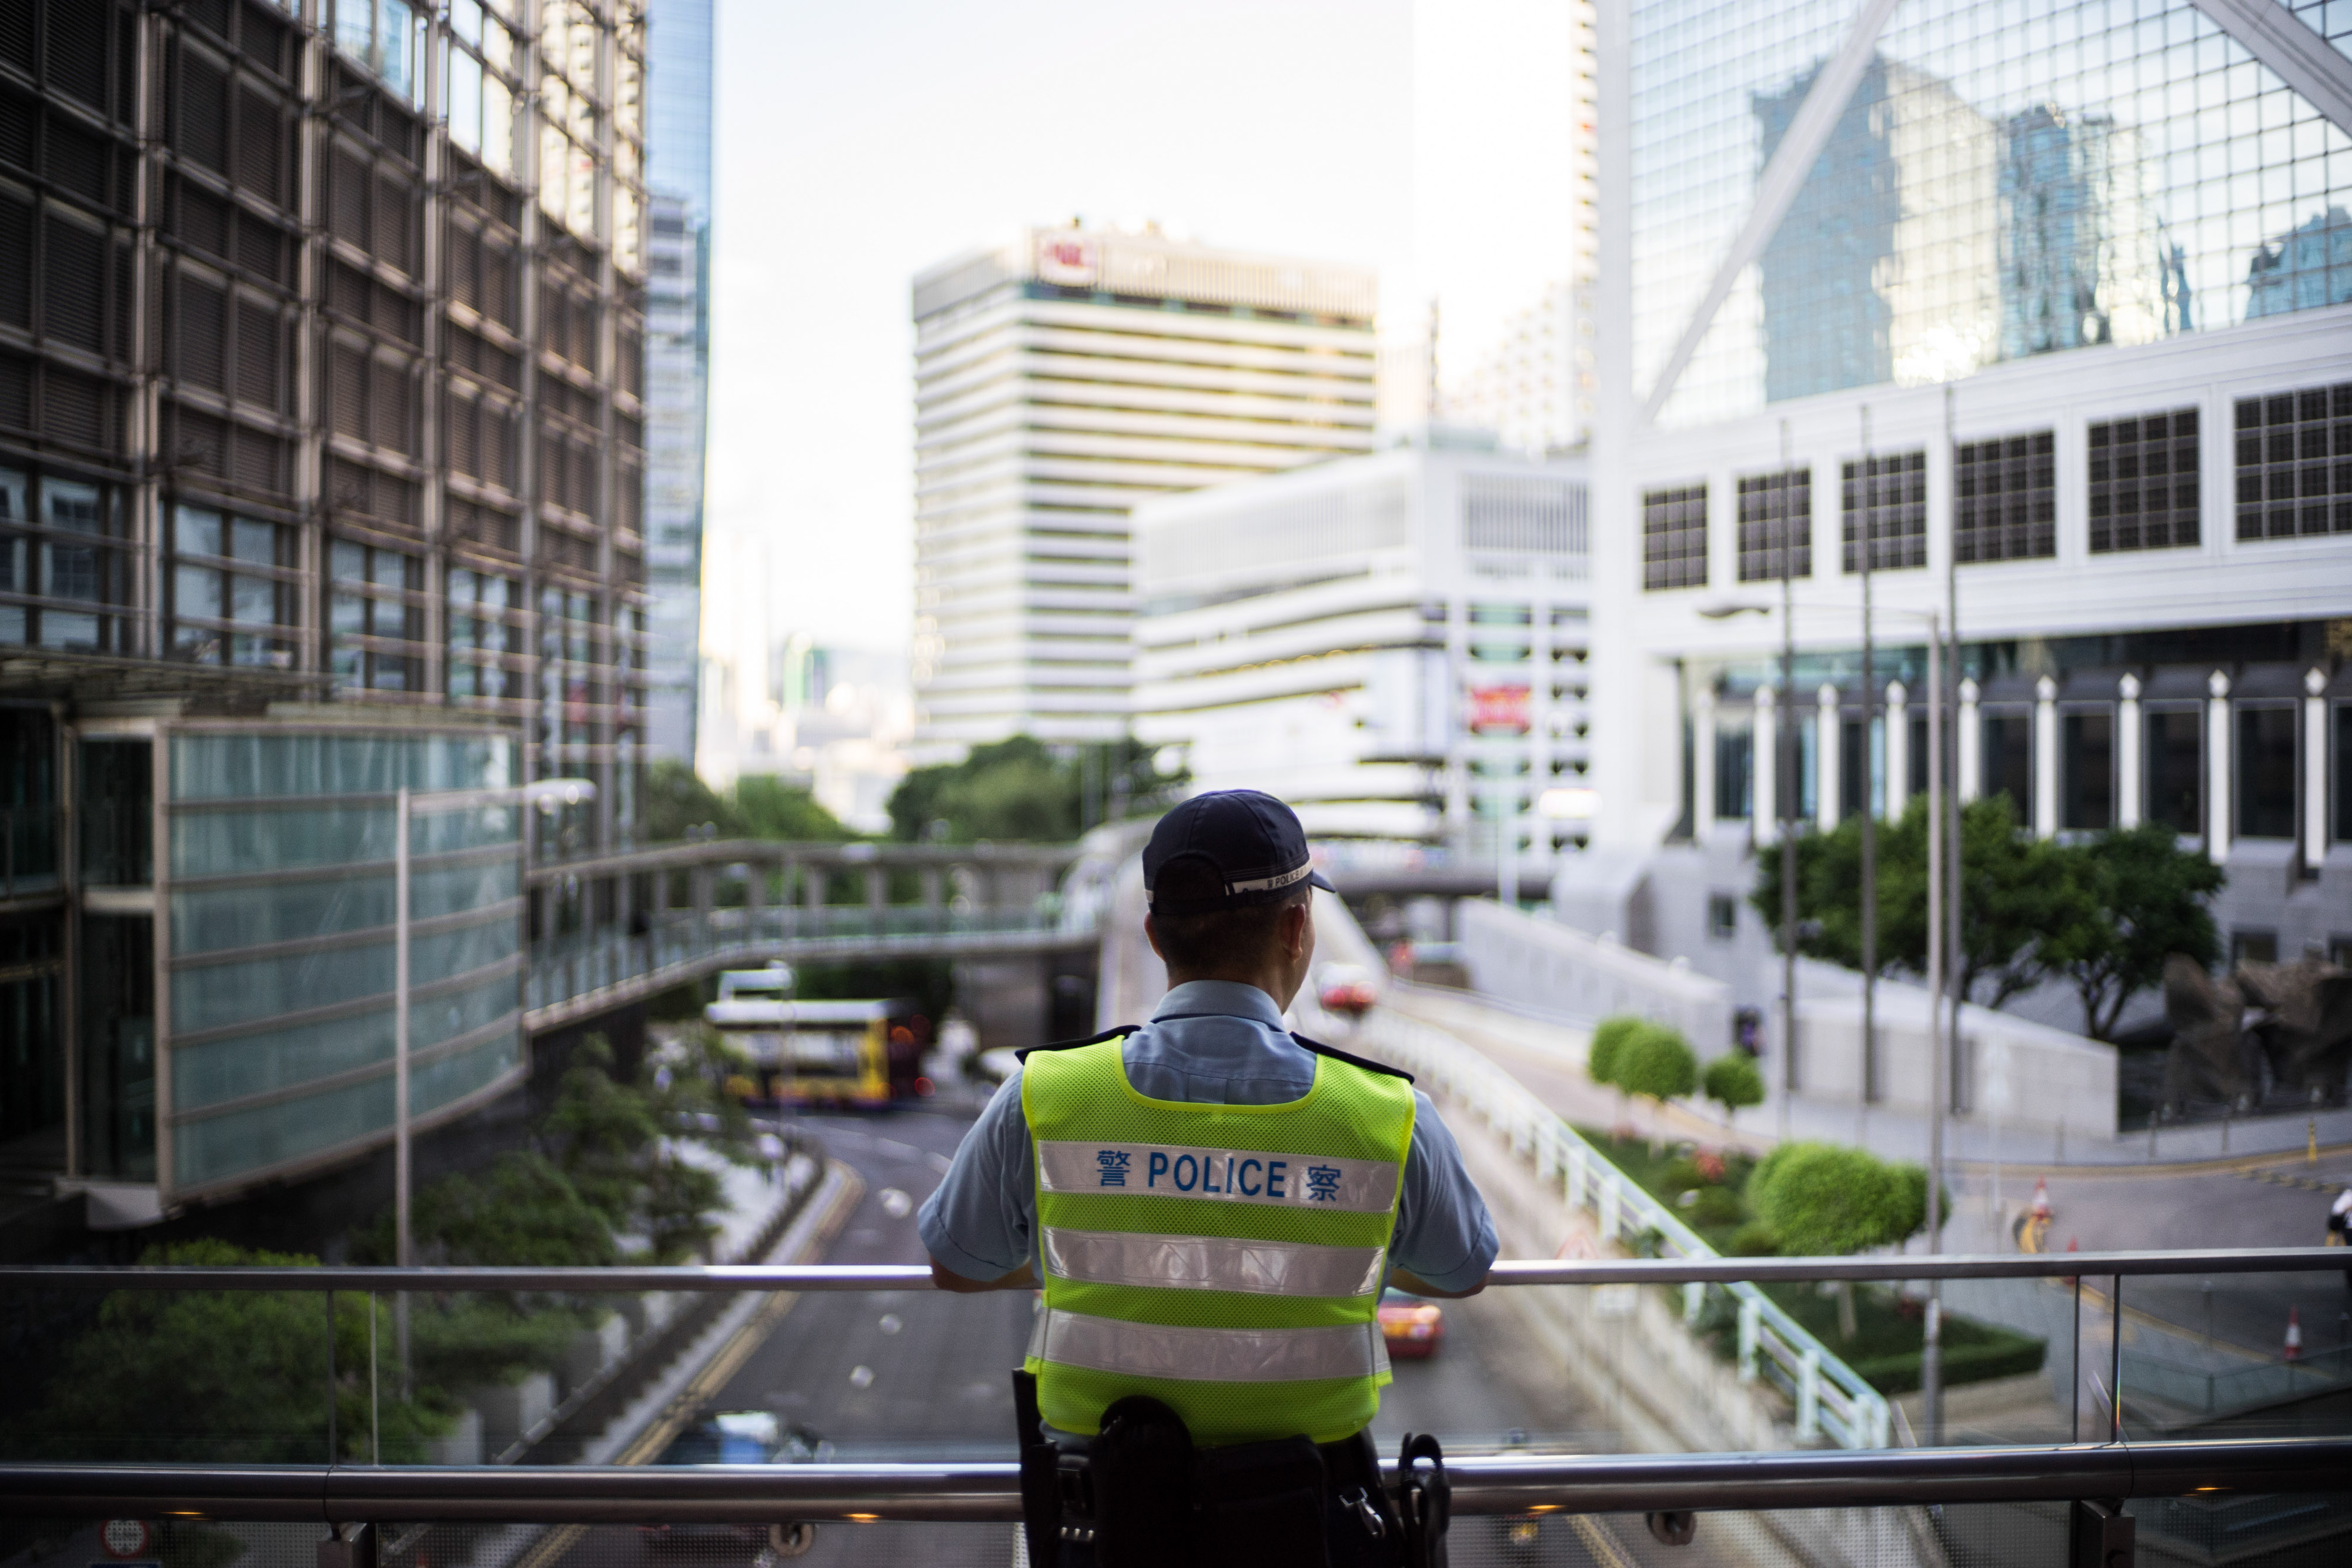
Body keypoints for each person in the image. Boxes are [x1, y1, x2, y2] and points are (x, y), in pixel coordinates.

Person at [919, 790, 1497, 1567]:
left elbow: (958, 1263)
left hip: (1105, 1529)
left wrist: (1090, 1254)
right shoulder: (1387, 1114)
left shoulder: (1043, 1095)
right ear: (1299, 930)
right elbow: (1462, 1269)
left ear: (1154, 935)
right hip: (1310, 1529)